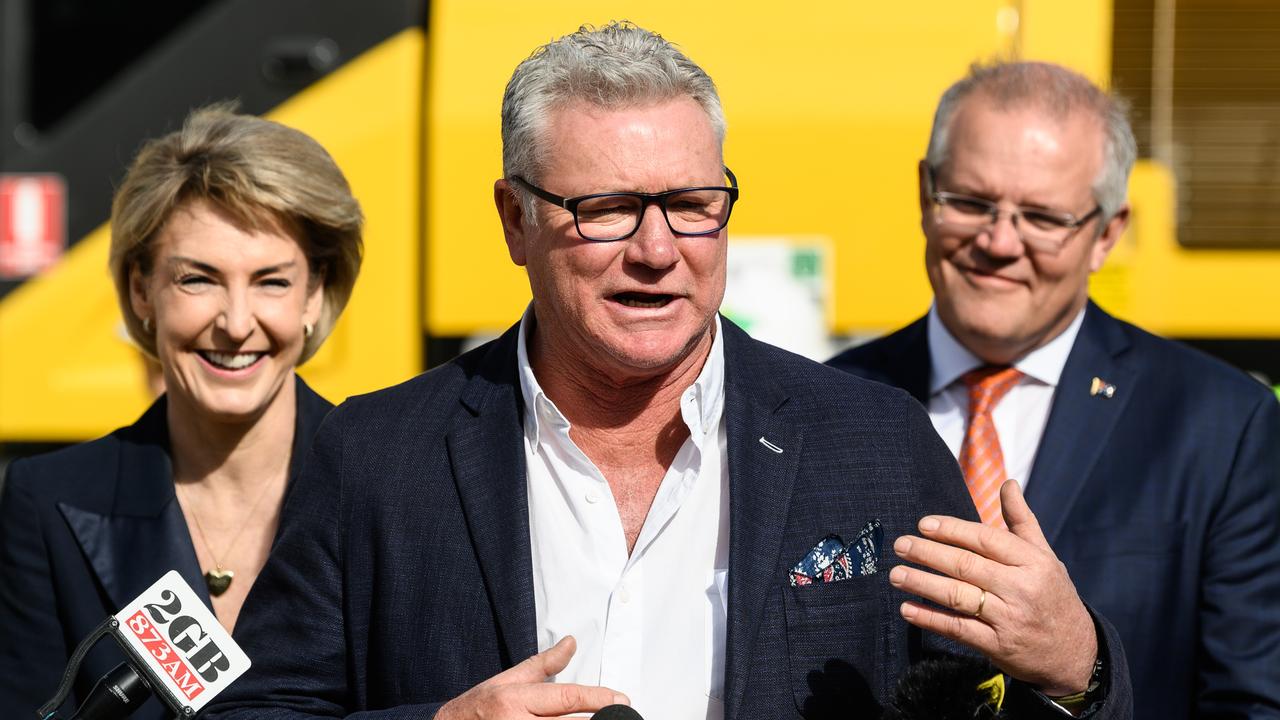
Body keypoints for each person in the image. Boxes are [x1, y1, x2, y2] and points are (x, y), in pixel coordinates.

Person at [206, 25, 1130, 720]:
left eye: (693, 205)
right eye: (606, 208)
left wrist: (1077, 668)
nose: (658, 250)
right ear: (514, 219)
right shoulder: (375, 454)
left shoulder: (874, 443)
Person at [828, 61, 1280, 719]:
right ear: (927, 194)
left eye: (1042, 217)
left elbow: (1254, 704)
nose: (999, 242)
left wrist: (1083, 669)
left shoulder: (1219, 425)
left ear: (1107, 234)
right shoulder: (824, 399)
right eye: (972, 202)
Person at [0, 106, 364, 719]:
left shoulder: (394, 483)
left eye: (272, 281)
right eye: (199, 279)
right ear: (143, 291)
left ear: (316, 293)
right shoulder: (46, 504)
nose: (236, 322)